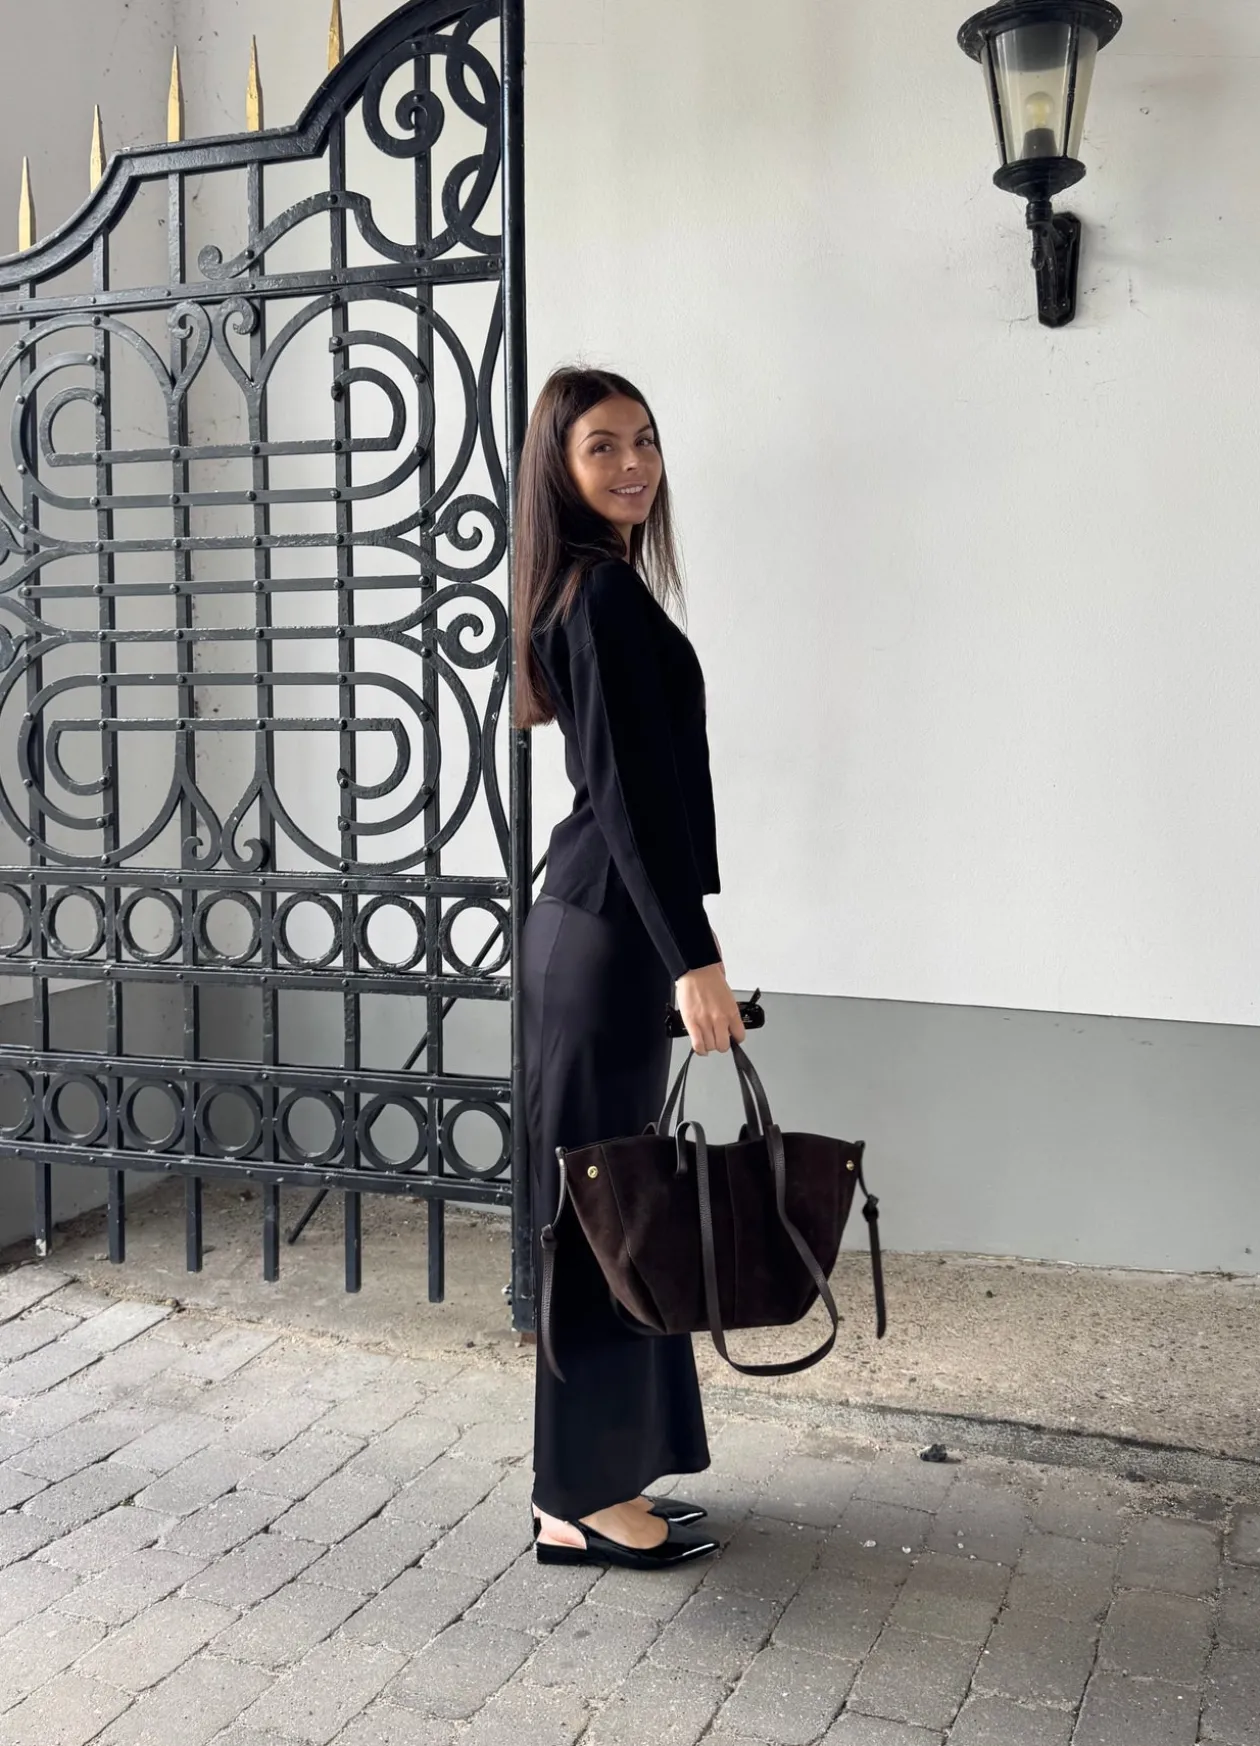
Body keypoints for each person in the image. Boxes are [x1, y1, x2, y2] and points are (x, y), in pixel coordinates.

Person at [513, 366, 746, 1570]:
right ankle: (576, 1498)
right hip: (604, 935)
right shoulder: (596, 594)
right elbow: (627, 801)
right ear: (558, 468)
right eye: (601, 446)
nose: (633, 464)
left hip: (598, 932)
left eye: (645, 441)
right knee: (599, 1218)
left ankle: (605, 1473)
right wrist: (690, 958)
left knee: (621, 1209)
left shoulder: (596, 584)